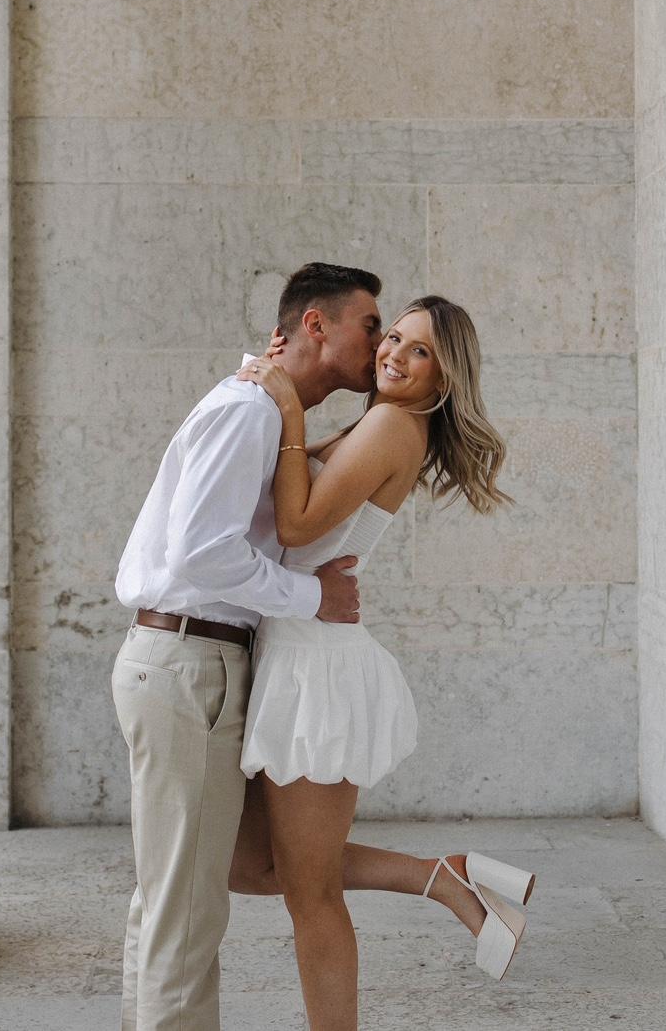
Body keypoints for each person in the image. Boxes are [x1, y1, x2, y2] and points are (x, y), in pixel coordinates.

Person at [229, 295, 534, 1030]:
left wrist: (287, 409)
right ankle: (446, 877)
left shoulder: (394, 426)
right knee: (246, 865)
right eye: (393, 337)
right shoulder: (380, 420)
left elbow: (298, 523)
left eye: (419, 350)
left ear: (445, 376)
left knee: (310, 895)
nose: (394, 353)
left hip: (315, 671)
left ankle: (445, 886)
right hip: (294, 651)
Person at [111, 263, 386, 1031]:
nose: (382, 343)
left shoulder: (267, 410)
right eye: (371, 325)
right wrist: (313, 597)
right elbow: (203, 554)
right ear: (316, 326)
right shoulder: (249, 411)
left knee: (167, 904)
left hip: (187, 661)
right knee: (185, 917)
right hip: (191, 663)